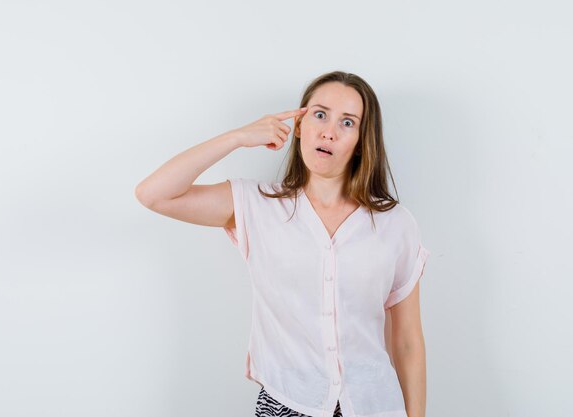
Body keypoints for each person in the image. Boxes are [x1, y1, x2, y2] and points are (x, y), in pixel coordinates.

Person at [135, 71, 430, 417]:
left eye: (347, 122)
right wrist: (238, 137)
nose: (329, 131)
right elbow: (153, 194)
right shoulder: (256, 205)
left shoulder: (395, 224)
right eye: (320, 114)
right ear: (301, 125)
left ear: (362, 141)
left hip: (375, 406)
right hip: (287, 403)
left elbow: (408, 342)